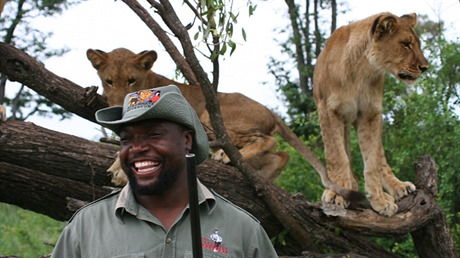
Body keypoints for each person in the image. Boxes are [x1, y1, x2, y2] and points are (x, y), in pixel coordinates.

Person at [51, 85, 278, 258]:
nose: (137, 148)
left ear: (186, 140)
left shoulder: (242, 230)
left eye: (154, 134)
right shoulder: (86, 227)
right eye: (127, 138)